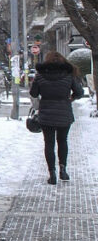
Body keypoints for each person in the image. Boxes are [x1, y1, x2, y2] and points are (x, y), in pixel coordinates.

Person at [29, 50, 84, 185]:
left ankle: (52, 173)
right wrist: (70, 98)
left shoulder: (40, 75)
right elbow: (79, 92)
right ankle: (63, 170)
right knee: (62, 141)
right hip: (64, 112)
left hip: (46, 113)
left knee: (49, 143)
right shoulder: (68, 75)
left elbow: (33, 93)